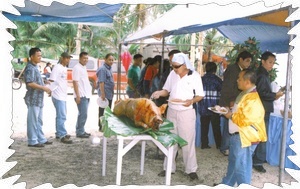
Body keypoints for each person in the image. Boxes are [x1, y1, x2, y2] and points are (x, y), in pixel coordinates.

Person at [152, 53, 205, 181]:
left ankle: (191, 170)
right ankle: (168, 168)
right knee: (170, 140)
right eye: (173, 66)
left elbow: (200, 95)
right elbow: (167, 90)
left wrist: (191, 101)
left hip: (186, 112)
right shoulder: (172, 74)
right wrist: (159, 93)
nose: (175, 69)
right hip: (172, 111)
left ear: (185, 65)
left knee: (187, 142)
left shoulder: (194, 76)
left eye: (177, 67)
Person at [218, 69, 267, 187]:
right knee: (234, 164)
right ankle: (226, 185)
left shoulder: (252, 98)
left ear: (247, 81)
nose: (237, 80)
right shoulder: (245, 94)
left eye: (239, 78)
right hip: (239, 136)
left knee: (242, 169)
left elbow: (246, 120)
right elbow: (241, 113)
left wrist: (229, 115)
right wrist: (229, 110)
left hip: (244, 136)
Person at [252, 51, 284, 173]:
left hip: (261, 108)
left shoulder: (262, 73)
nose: (272, 65)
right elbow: (262, 93)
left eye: (273, 63)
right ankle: (258, 161)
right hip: (262, 108)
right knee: (261, 135)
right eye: (270, 62)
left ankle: (257, 158)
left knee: (260, 135)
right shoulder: (262, 75)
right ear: (263, 61)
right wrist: (275, 95)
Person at [219, 50, 253, 156]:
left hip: (235, 100)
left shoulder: (240, 70)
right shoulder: (233, 69)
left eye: (250, 62)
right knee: (228, 124)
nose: (249, 64)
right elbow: (228, 87)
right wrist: (230, 101)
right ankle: (224, 147)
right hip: (229, 100)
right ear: (241, 59)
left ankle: (227, 146)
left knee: (231, 123)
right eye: (247, 61)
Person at [23, 47, 52, 147]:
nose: (40, 57)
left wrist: (45, 82)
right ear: (31, 57)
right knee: (33, 120)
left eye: (40, 55)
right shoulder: (30, 67)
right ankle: (32, 141)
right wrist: (44, 88)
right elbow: (30, 83)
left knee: (39, 121)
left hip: (39, 99)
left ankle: (41, 138)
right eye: (38, 55)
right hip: (33, 98)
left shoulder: (35, 67)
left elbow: (35, 80)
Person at [48, 52, 73, 144]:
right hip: (58, 95)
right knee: (61, 115)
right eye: (66, 58)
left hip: (63, 95)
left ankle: (59, 133)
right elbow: (51, 80)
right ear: (61, 58)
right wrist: (50, 90)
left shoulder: (64, 68)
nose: (68, 60)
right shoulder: (57, 67)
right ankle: (62, 135)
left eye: (69, 58)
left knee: (62, 115)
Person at [198, 62, 222, 149]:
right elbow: (221, 92)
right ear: (215, 70)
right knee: (216, 127)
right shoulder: (218, 80)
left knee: (204, 127)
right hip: (214, 107)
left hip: (203, 106)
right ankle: (219, 145)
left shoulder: (201, 79)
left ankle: (204, 144)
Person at [72, 51, 92, 138]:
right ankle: (79, 132)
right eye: (84, 58)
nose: (86, 60)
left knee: (84, 114)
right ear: (80, 58)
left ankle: (81, 130)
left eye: (87, 58)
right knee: (83, 114)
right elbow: (75, 82)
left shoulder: (83, 67)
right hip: (81, 95)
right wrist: (78, 96)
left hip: (86, 95)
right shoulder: (77, 68)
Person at [96, 53, 115, 131]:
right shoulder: (103, 69)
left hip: (109, 93)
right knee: (102, 111)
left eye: (112, 60)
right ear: (105, 59)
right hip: (105, 94)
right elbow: (101, 82)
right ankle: (101, 126)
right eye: (109, 60)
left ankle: (106, 125)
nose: (111, 61)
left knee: (108, 110)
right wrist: (103, 94)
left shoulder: (109, 68)